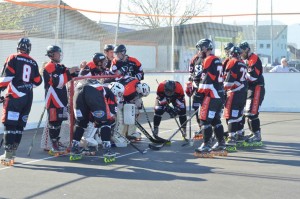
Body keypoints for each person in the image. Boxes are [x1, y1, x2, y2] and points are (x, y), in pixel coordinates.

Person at [0, 38, 42, 165]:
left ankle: (7, 155)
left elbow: (6, 77)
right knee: (19, 126)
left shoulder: (13, 57)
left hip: (15, 96)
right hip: (27, 98)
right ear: (29, 48)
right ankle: (13, 153)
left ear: (18, 46)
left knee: (10, 125)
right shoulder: (33, 62)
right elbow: (37, 82)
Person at [42, 45, 79, 155]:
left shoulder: (60, 66)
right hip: (53, 98)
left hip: (61, 98)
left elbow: (70, 74)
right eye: (58, 53)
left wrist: (77, 69)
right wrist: (69, 72)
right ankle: (53, 144)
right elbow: (57, 82)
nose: (60, 54)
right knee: (54, 122)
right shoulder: (49, 67)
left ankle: (56, 141)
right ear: (51, 55)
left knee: (59, 121)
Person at [192, 38, 226, 158]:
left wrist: (198, 95)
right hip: (220, 93)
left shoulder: (208, 60)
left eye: (200, 48)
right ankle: (221, 143)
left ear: (205, 48)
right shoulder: (217, 60)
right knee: (216, 120)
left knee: (205, 120)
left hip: (212, 94)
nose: (199, 51)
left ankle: (206, 145)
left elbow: (206, 80)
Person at [70, 79, 118, 160]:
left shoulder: (103, 88)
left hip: (78, 89)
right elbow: (111, 115)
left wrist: (95, 119)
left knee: (80, 122)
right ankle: (107, 150)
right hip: (92, 91)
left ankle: (74, 148)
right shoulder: (110, 93)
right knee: (105, 122)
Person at [239, 41, 265, 145]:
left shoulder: (253, 59)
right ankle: (253, 132)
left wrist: (241, 76)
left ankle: (257, 135)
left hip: (257, 88)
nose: (240, 53)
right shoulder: (246, 59)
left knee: (252, 112)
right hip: (250, 89)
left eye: (241, 51)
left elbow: (253, 77)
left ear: (246, 49)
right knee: (247, 112)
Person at [223, 47, 248, 150]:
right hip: (243, 93)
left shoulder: (233, 62)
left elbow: (229, 82)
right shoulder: (243, 63)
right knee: (238, 115)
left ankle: (232, 138)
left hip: (234, 93)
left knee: (231, 116)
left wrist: (221, 88)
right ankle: (240, 135)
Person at [114, 76, 150, 144]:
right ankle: (119, 135)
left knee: (134, 110)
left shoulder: (136, 81)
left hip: (120, 92)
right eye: (141, 95)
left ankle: (130, 133)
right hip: (117, 98)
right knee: (121, 119)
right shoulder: (128, 92)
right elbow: (122, 101)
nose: (140, 96)